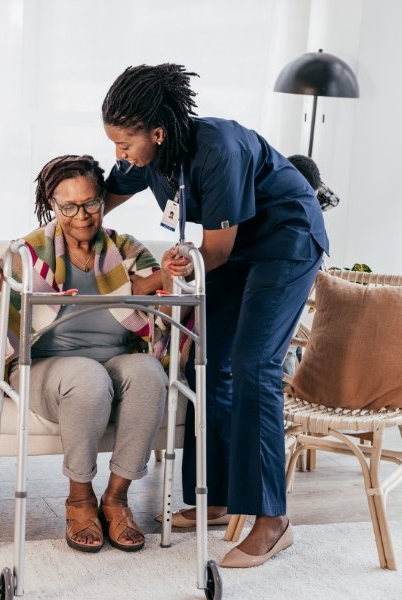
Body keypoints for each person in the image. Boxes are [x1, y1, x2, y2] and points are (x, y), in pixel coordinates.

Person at [100, 64, 328, 567]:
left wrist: (163, 276)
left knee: (253, 365)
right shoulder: (144, 154)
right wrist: (58, 226)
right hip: (236, 249)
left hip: (285, 239)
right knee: (205, 362)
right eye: (114, 144)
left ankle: (273, 520)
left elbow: (216, 251)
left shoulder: (218, 149)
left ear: (157, 133)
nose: (120, 155)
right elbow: (101, 201)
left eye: (124, 144)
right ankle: (218, 498)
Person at [0, 155, 172, 554]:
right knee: (87, 376)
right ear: (51, 205)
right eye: (68, 207)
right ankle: (80, 499)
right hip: (45, 366)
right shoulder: (27, 254)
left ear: (103, 200)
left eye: (90, 204)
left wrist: (170, 275)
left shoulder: (125, 248)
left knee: (149, 373)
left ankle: (116, 498)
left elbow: (160, 306)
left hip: (116, 359)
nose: (81, 216)